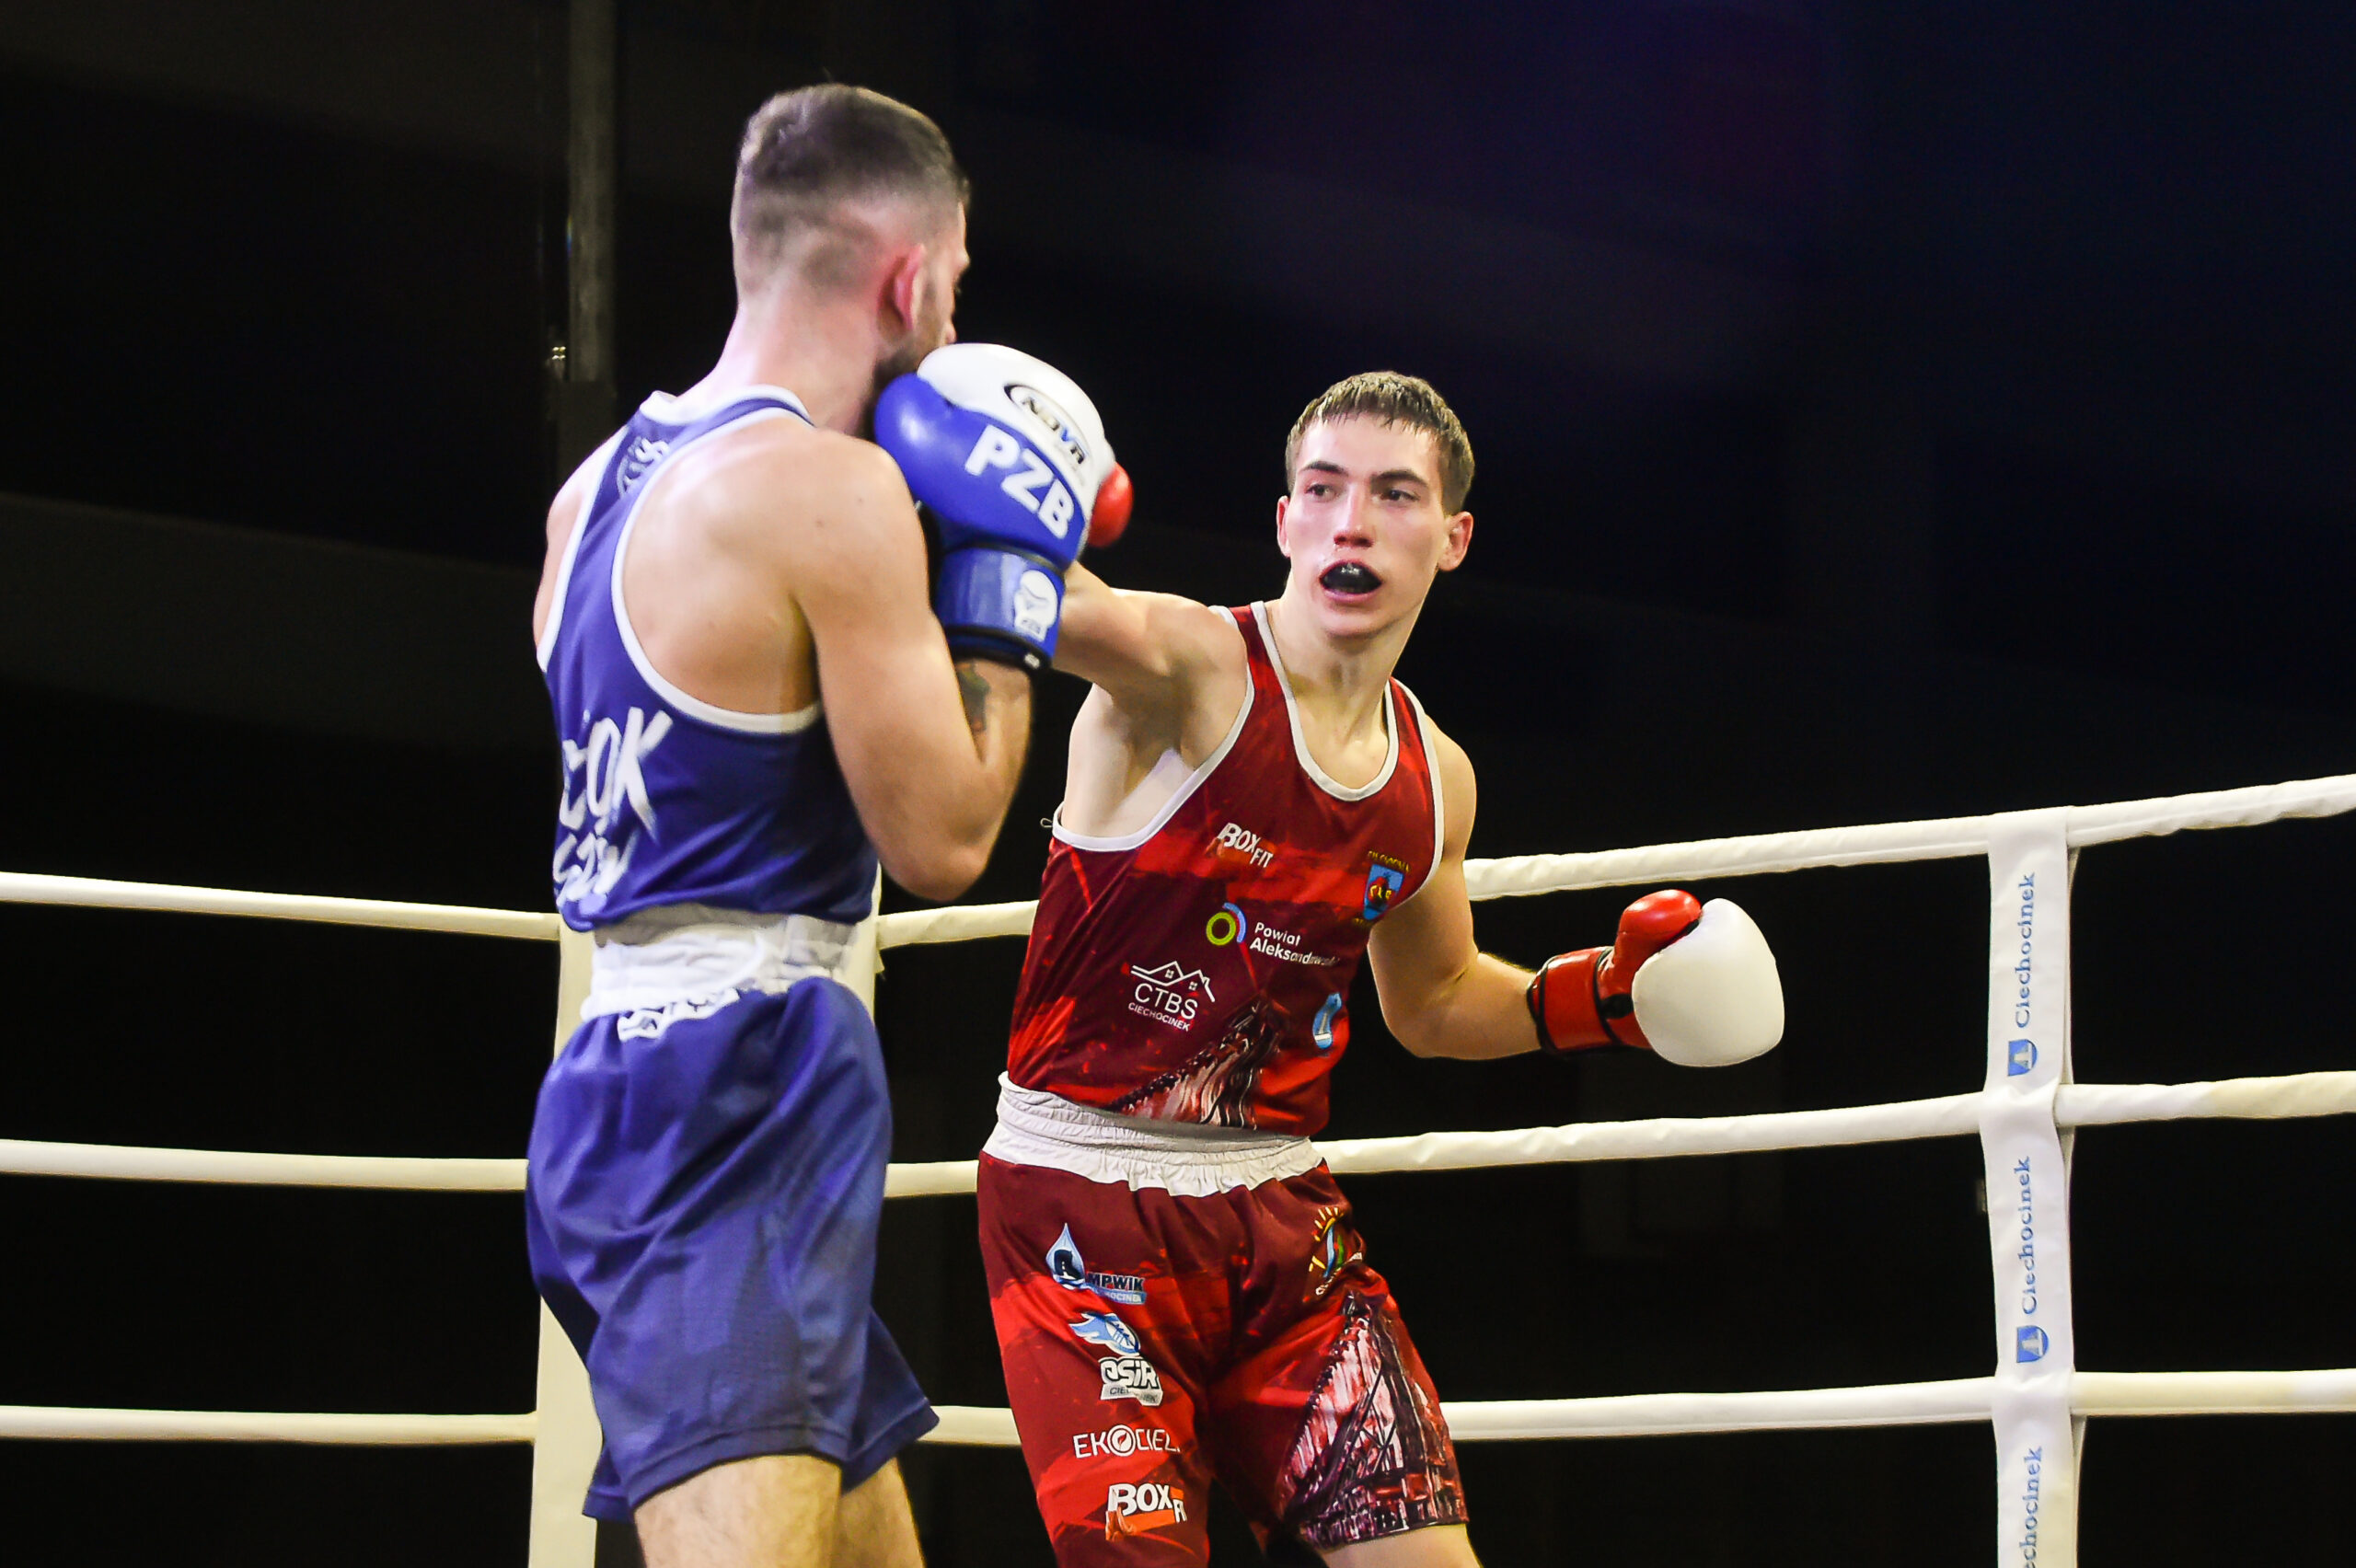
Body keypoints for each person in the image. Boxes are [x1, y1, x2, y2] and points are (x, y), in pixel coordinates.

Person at [976, 372, 1784, 1564]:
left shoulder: (1433, 778)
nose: (1351, 522)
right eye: (1324, 490)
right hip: (1082, 1207)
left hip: (1280, 1218)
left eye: (1395, 495)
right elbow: (1036, 600)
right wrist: (961, 476)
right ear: (1286, 521)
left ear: (1452, 537)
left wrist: (1606, 1001)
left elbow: (1438, 1000)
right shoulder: (1191, 669)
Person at [525, 86, 1121, 1568]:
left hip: (607, 1091)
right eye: (955, 284)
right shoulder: (830, 493)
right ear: (909, 281)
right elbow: (945, 840)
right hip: (747, 1087)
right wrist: (999, 588)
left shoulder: (589, 498)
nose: (953, 319)